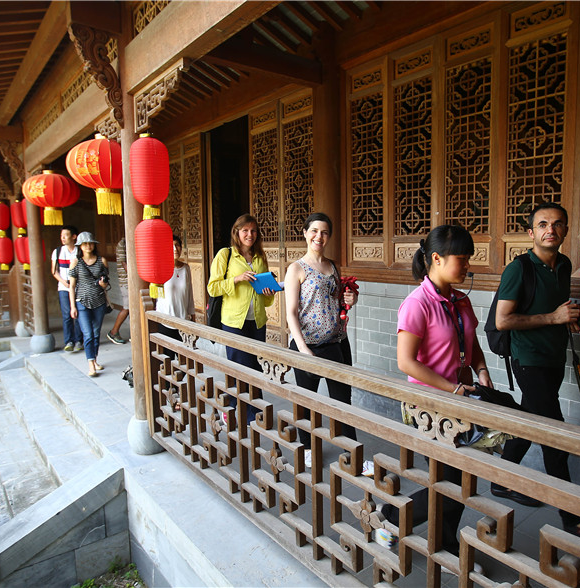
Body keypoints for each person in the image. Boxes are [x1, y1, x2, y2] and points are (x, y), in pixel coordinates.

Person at [376, 225, 488, 574]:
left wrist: (481, 369)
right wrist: (451, 388)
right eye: (462, 258)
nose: (467, 264)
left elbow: (471, 342)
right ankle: (393, 518)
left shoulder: (460, 299)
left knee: (460, 480)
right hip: (430, 408)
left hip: (462, 401)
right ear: (436, 259)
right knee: (448, 481)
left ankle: (442, 541)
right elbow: (406, 362)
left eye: (469, 258)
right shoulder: (417, 303)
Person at [492, 202, 580, 539]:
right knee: (553, 433)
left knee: (533, 420)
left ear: (565, 231)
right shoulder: (519, 269)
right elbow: (503, 320)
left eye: (558, 224)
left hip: (553, 358)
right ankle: (572, 517)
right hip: (527, 359)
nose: (551, 229)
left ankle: (499, 478)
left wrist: (569, 320)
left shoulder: (564, 265)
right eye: (543, 224)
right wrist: (553, 318)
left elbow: (557, 309)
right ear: (531, 233)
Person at [284, 212, 372, 475]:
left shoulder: (333, 267)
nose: (318, 236)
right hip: (307, 346)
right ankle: (308, 448)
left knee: (342, 401)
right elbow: (290, 312)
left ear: (329, 236)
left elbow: (337, 305)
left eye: (324, 232)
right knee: (306, 400)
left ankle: (352, 454)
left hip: (335, 344)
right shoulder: (296, 269)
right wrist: (302, 349)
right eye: (314, 231)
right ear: (305, 233)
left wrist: (349, 303)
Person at [206, 214, 276, 423]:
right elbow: (213, 287)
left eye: (253, 231)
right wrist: (236, 279)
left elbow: (265, 299)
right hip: (234, 321)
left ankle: (232, 405)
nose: (249, 234)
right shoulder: (225, 255)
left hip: (257, 321)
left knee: (254, 366)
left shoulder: (260, 257)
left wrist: (269, 292)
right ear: (236, 232)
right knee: (240, 365)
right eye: (245, 230)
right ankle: (250, 416)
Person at [68, 232, 109, 377]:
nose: (88, 246)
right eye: (85, 244)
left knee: (96, 333)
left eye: (90, 243)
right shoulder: (75, 262)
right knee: (88, 333)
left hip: (99, 301)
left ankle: (95, 358)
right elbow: (71, 286)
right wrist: (72, 306)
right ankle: (90, 363)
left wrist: (103, 284)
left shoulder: (101, 261)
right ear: (80, 246)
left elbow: (106, 283)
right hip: (82, 301)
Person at [157, 235, 196, 352]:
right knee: (168, 360)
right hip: (166, 321)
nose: (175, 249)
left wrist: (192, 315)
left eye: (177, 245)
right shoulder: (161, 268)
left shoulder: (186, 268)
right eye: (171, 246)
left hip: (183, 321)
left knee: (184, 360)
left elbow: (189, 294)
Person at [51, 225, 82, 352]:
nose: (63, 238)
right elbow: (54, 271)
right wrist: (64, 282)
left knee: (79, 313)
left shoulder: (79, 251)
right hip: (64, 287)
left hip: (79, 287)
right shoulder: (57, 251)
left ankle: (79, 340)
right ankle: (69, 341)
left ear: (74, 237)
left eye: (66, 235)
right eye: (61, 236)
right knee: (67, 315)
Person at [107, 236, 129, 344]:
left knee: (130, 308)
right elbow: (123, 263)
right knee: (127, 308)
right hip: (127, 282)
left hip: (130, 281)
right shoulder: (122, 244)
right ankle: (113, 331)